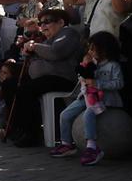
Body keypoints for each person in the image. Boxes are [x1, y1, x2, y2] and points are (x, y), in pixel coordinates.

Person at [7, 8, 81, 147]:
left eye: (47, 22)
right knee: (10, 84)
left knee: (27, 89)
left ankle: (31, 134)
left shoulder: (68, 33)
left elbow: (56, 52)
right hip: (46, 79)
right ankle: (17, 128)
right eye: (41, 23)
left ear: (61, 22)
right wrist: (29, 52)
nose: (43, 26)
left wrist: (34, 47)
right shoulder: (48, 40)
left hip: (63, 79)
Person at [50, 32, 124, 165]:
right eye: (89, 48)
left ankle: (92, 147)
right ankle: (66, 143)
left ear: (104, 50)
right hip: (86, 97)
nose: (90, 51)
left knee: (89, 114)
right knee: (65, 114)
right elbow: (82, 77)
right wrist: (84, 71)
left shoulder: (113, 65)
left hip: (104, 99)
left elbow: (119, 83)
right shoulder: (92, 63)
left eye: (93, 48)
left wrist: (98, 84)